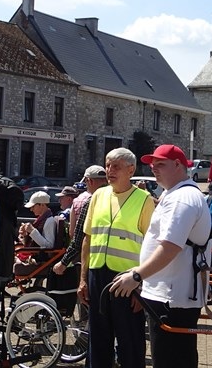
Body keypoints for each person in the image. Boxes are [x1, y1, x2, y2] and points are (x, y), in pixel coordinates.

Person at [110, 144, 211, 368]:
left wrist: (137, 276)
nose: (154, 168)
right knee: (176, 357)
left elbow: (171, 247)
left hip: (172, 298)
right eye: (152, 165)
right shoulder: (175, 194)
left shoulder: (182, 198)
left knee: (169, 360)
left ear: (178, 165)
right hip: (170, 295)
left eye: (160, 164)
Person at [78, 148, 155, 368]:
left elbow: (152, 247)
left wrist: (142, 286)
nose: (110, 170)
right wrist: (83, 279)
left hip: (127, 282)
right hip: (97, 276)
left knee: (130, 343)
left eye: (116, 166)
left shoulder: (144, 200)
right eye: (108, 165)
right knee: (98, 341)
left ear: (131, 170)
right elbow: (88, 239)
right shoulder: (99, 195)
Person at [53, 164, 108, 275]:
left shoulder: (90, 201)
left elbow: (76, 236)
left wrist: (64, 262)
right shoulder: (121, 197)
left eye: (86, 183)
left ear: (89, 181)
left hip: (95, 261)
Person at [14, 191, 56, 276]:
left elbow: (49, 246)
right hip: (36, 255)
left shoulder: (49, 221)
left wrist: (32, 231)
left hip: (40, 258)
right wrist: (25, 234)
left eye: (33, 206)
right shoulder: (42, 220)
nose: (31, 209)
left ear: (42, 205)